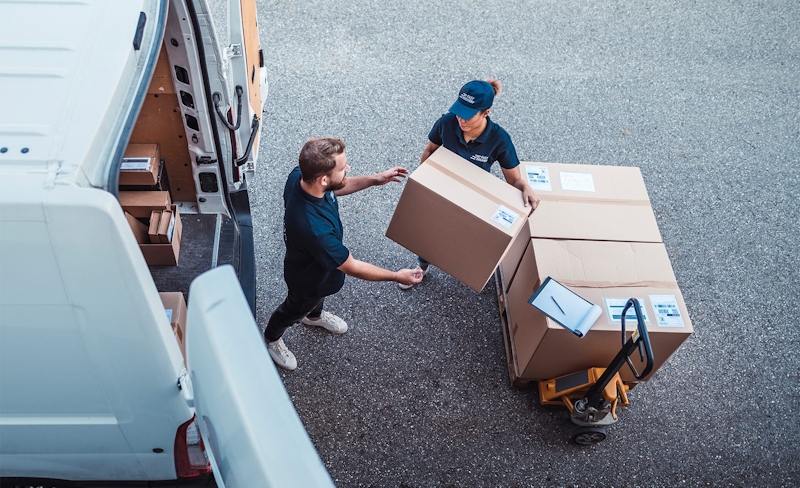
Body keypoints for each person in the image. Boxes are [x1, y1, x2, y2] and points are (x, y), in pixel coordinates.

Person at [264, 137, 423, 370]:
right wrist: (397, 276)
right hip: (307, 280)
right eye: (343, 167)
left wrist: (374, 179)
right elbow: (352, 266)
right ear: (324, 178)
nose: (348, 169)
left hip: (322, 269)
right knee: (294, 308)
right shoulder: (315, 231)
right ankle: (272, 338)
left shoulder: (300, 176)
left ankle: (314, 317)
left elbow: (337, 188)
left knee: (317, 298)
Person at [399, 78, 541, 290]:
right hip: (442, 188)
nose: (460, 119)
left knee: (464, 235)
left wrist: (525, 188)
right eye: (459, 110)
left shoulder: (500, 139)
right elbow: (430, 150)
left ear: (486, 113)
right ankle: (422, 265)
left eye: (468, 114)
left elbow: (514, 179)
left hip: (473, 196)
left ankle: (465, 268)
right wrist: (423, 180)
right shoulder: (446, 123)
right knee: (430, 231)